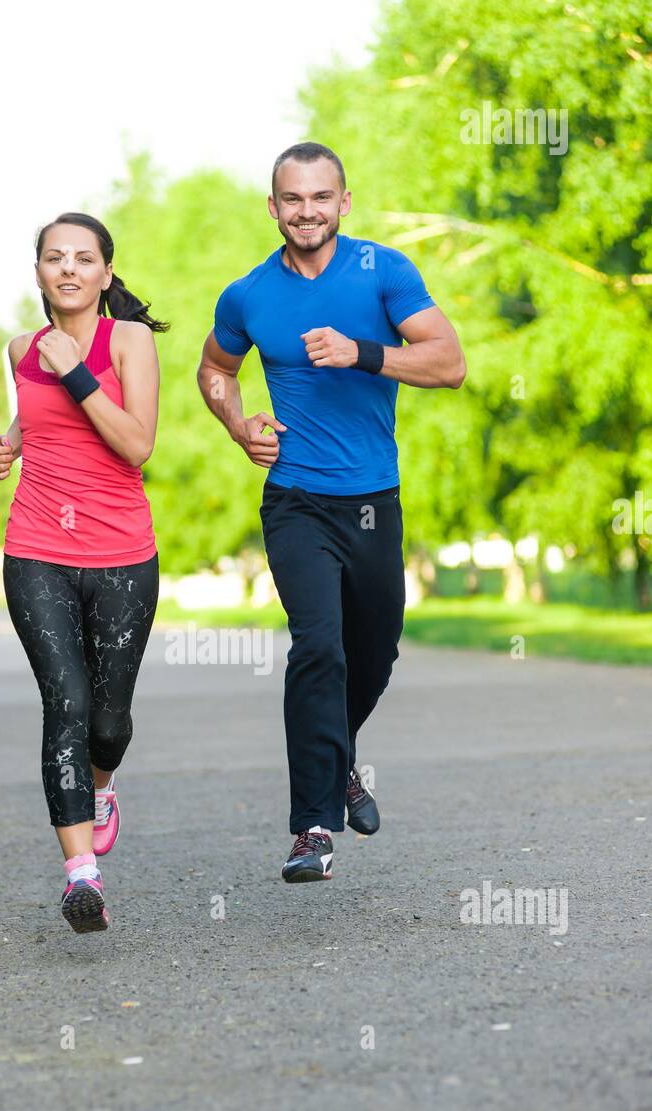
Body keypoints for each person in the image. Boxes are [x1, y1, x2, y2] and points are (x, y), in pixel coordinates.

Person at [197, 142, 466, 884]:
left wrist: (364, 353)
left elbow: (447, 364)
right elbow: (214, 369)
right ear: (273, 208)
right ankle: (310, 826)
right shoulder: (248, 294)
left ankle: (336, 754)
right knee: (319, 647)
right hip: (295, 501)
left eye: (320, 197)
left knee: (373, 654)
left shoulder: (385, 272)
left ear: (342, 202)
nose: (306, 210)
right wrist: (236, 422)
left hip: (373, 502)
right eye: (292, 199)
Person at [0, 213, 167, 932]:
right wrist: (8, 445)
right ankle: (80, 877)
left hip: (121, 553)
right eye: (53, 258)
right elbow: (37, 417)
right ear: (38, 273)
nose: (67, 269)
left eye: (82, 258)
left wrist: (77, 370)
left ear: (105, 274)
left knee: (108, 721)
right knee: (64, 700)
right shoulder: (20, 349)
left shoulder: (128, 342)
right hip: (35, 549)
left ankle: (103, 785)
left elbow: (136, 445)